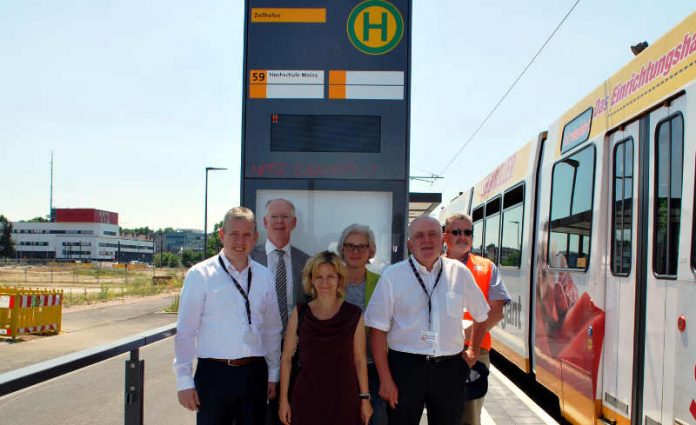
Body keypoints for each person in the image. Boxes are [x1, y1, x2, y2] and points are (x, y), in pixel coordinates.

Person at [364, 216, 490, 425]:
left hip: (450, 369)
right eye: (419, 236)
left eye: (432, 234)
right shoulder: (392, 276)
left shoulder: (459, 273)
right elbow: (377, 331)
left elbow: (482, 315)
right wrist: (385, 379)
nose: (426, 240)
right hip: (405, 369)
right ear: (409, 244)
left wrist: (474, 351)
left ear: (442, 240)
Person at [174, 207, 282, 425]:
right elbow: (185, 332)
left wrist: (273, 374)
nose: (240, 241)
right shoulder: (200, 275)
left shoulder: (264, 276)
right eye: (234, 234)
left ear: (255, 237)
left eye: (246, 234)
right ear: (222, 235)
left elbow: (272, 329)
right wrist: (184, 381)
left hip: (254, 374)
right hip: (214, 375)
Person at [278, 251, 373, 425]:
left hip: (345, 399)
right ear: (311, 280)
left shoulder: (354, 314)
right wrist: (283, 400)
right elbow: (286, 359)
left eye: (330, 276)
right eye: (318, 277)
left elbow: (360, 360)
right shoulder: (300, 313)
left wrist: (365, 399)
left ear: (339, 279)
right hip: (306, 399)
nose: (324, 282)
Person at [443, 213, 511, 425]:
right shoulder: (432, 265)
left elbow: (497, 311)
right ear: (445, 236)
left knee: (470, 417)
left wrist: (468, 337)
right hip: (438, 351)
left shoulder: (487, 267)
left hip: (474, 351)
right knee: (440, 411)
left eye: (467, 232)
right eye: (456, 232)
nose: (462, 236)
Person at [251, 198, 310, 424]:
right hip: (255, 352)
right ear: (265, 222)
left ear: (293, 222)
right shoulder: (248, 259)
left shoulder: (306, 261)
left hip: (294, 357)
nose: (279, 222)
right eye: (274, 217)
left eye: (285, 217)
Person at [339, 224, 385, 425]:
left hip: (373, 368)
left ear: (371, 251)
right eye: (350, 246)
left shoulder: (383, 283)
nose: (355, 251)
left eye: (361, 247)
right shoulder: (329, 282)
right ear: (342, 250)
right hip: (339, 368)